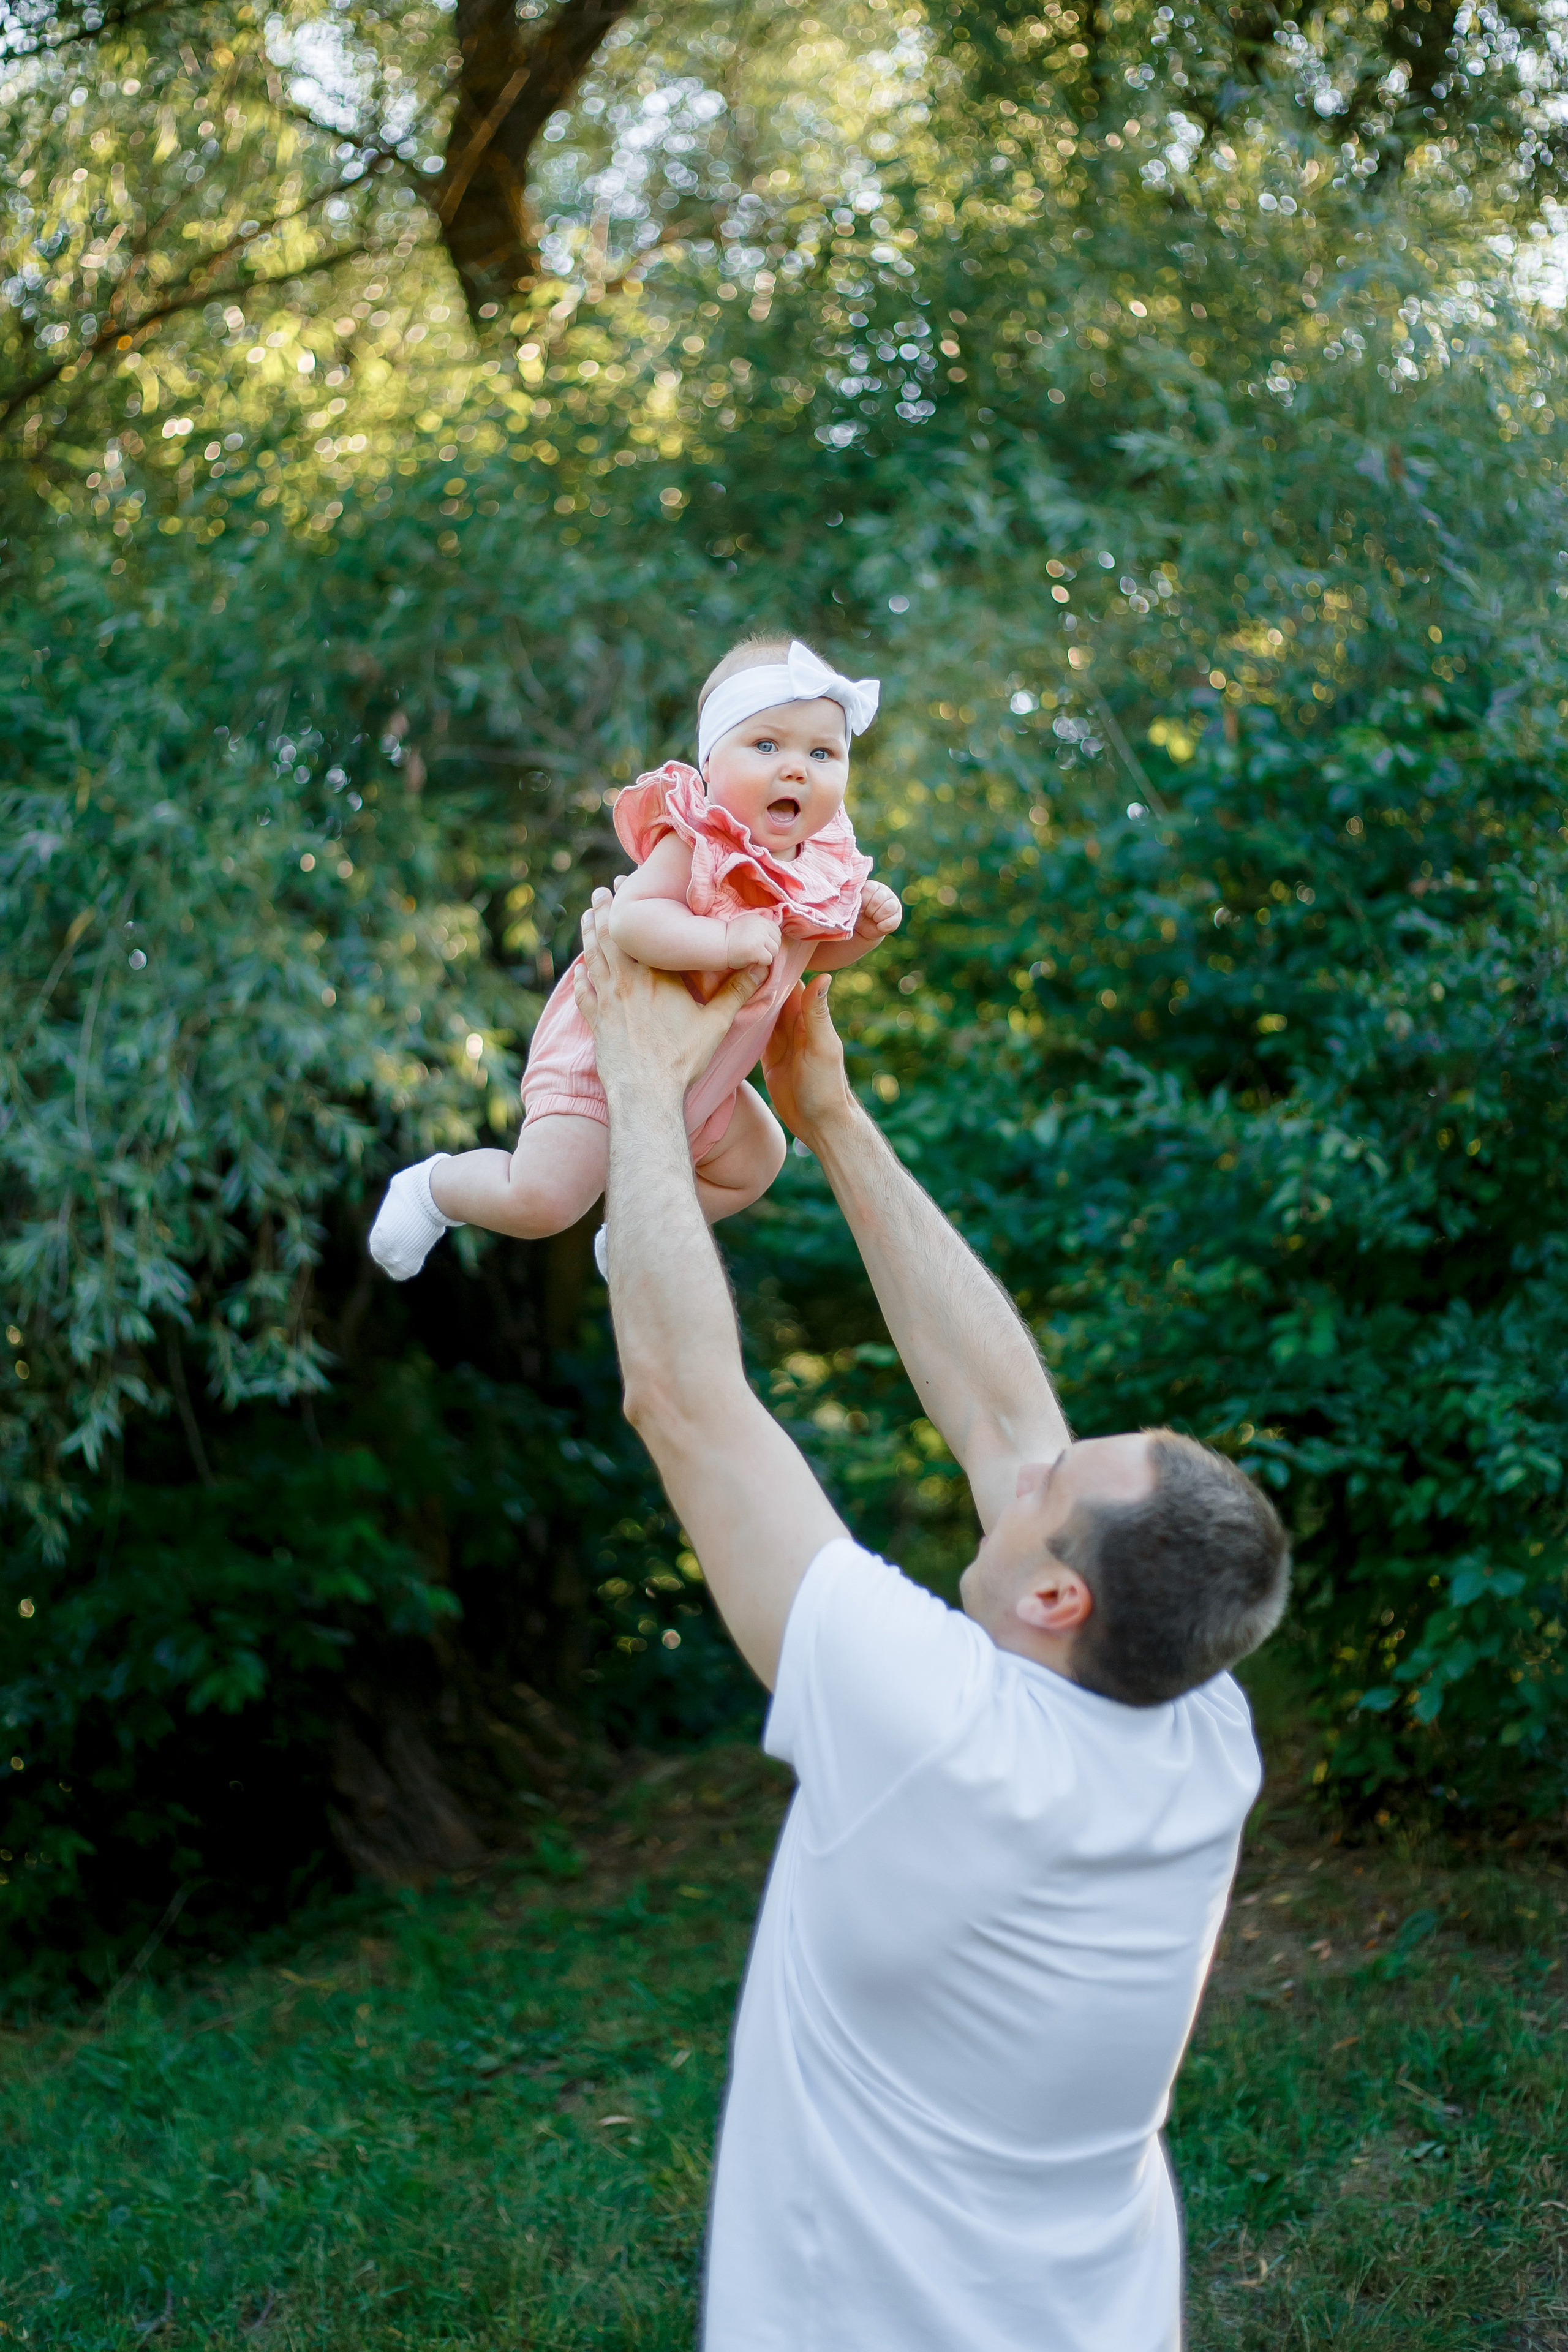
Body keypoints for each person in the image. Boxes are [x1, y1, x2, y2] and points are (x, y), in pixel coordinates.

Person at [570, 889, 1291, 2352]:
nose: (1025, 1465)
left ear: (1056, 1597)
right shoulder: (1196, 1717)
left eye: (1047, 1491)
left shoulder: (932, 1731)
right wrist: (824, 1108)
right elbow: (1007, 1414)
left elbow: (685, 1402)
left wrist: (637, 1078)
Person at [367, 636, 903, 1281]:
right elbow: (633, 920)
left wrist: (862, 933)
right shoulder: (701, 841)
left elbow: (813, 952)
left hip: (705, 1083)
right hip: (609, 1058)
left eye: (822, 753)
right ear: (711, 761)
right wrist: (723, 942)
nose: (796, 770)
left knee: (759, 1161)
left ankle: (631, 1231)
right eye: (766, 746)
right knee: (542, 1202)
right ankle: (435, 1188)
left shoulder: (821, 870)